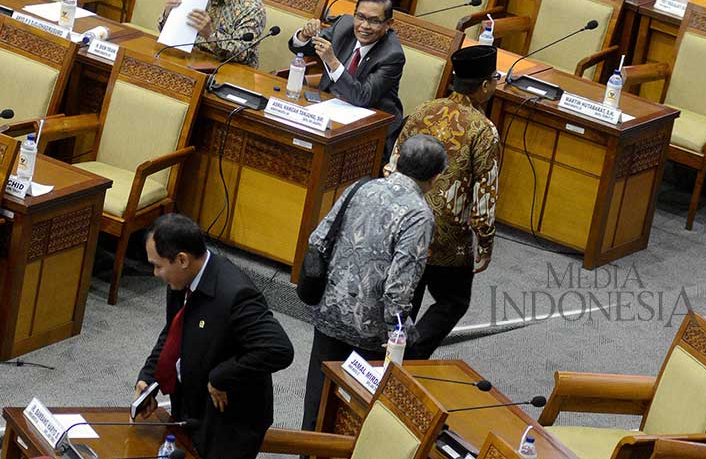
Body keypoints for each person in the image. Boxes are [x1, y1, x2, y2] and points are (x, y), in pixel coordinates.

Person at [300, 133, 447, 432]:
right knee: (355, 409)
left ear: (399, 160)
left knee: (318, 398)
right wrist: (399, 333)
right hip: (371, 331)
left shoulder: (361, 187)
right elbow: (399, 286)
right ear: (435, 177)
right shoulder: (419, 216)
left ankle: (307, 449)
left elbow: (318, 238)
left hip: (330, 310)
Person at [135, 214, 294, 459]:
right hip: (191, 403)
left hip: (229, 420)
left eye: (158, 265)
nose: (155, 273)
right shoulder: (181, 281)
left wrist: (222, 376)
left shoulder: (235, 294)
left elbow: (279, 349)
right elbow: (174, 331)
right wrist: (149, 377)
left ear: (182, 260)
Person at [385, 45, 501, 359]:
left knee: (409, 292)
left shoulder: (423, 109)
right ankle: (409, 355)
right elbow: (484, 194)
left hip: (406, 217)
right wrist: (485, 243)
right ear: (486, 85)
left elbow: (393, 163)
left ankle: (390, 348)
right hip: (447, 236)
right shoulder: (483, 130)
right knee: (453, 301)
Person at [290, 0, 405, 154]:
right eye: (360, 17)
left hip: (369, 127)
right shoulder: (344, 25)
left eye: (374, 21)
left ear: (388, 24)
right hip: (328, 109)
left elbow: (362, 97)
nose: (364, 26)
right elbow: (305, 47)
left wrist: (332, 62)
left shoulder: (392, 55)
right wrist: (304, 35)